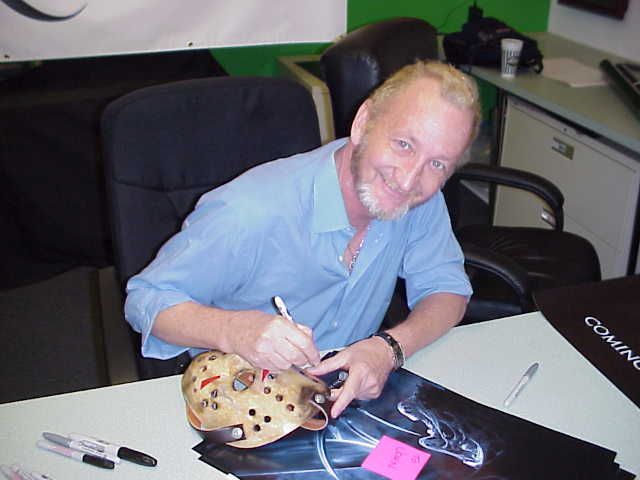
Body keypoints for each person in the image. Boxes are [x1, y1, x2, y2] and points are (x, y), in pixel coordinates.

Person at [125, 60, 480, 418]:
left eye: (438, 164)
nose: (408, 179)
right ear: (363, 123)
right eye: (403, 144)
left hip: (340, 402)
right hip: (236, 403)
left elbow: (447, 290)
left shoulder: (420, 201)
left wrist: (388, 349)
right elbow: (145, 300)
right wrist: (234, 330)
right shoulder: (249, 212)